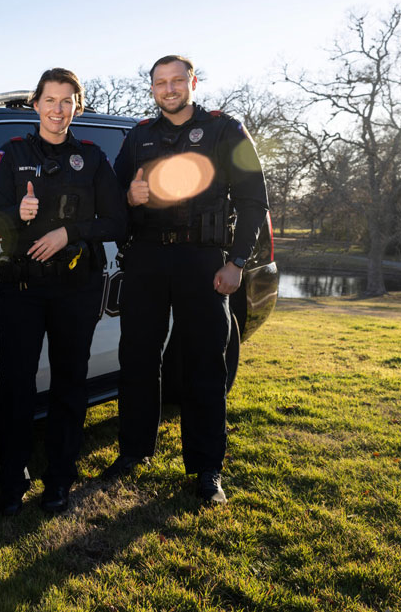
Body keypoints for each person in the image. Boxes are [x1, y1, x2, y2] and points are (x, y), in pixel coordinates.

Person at [103, 55, 269, 503]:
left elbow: (254, 202)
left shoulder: (223, 129)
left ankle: (206, 468)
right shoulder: (138, 136)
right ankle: (133, 452)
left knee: (203, 364)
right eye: (161, 83)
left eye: (178, 80)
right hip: (147, 259)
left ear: (193, 82)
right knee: (136, 358)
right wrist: (128, 196)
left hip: (203, 261)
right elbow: (112, 202)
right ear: (153, 88)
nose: (170, 89)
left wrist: (235, 262)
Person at [0, 68, 127, 516]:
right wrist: (17, 211)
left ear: (77, 107)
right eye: (50, 100)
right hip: (21, 288)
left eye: (68, 101)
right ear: (36, 104)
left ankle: (60, 479)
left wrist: (71, 233)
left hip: (75, 288)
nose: (58, 109)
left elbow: (118, 222)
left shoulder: (93, 157)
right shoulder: (11, 155)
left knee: (70, 384)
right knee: (15, 387)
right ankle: (12, 478)